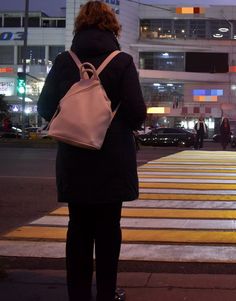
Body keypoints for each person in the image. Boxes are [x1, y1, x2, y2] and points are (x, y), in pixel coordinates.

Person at [37, 2, 147, 301]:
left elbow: (45, 108)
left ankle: (78, 294)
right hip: (112, 161)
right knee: (109, 229)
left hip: (74, 158)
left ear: (80, 26)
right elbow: (138, 113)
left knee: (78, 229)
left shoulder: (63, 61)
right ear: (112, 26)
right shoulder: (121, 61)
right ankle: (107, 294)